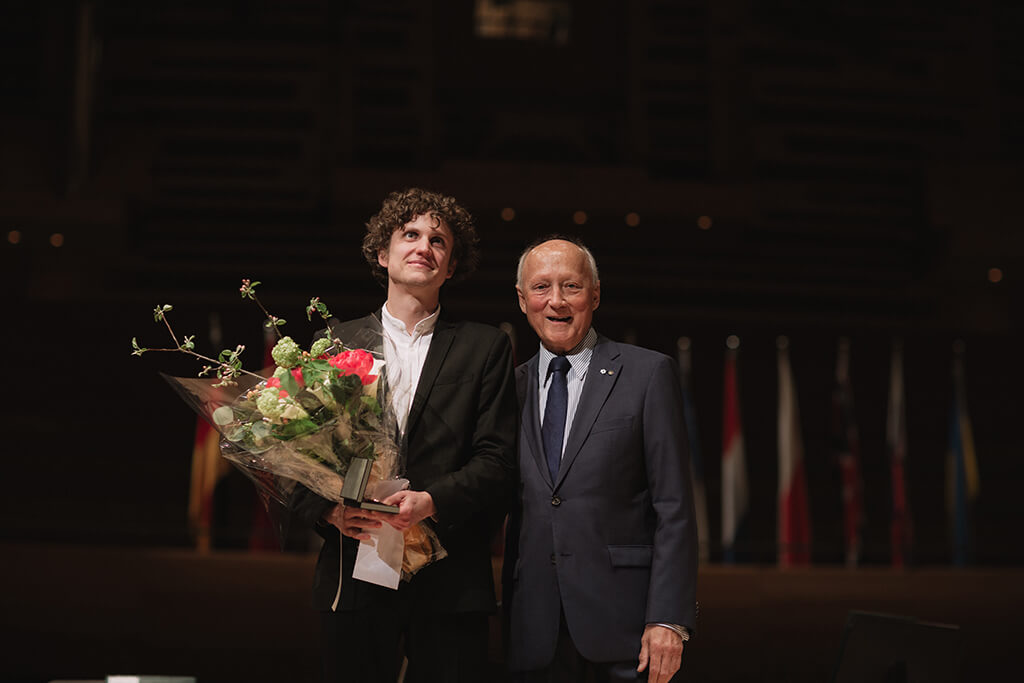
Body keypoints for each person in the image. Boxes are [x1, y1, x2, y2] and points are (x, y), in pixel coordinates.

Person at [290, 188, 519, 683]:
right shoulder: (335, 344)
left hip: (450, 578)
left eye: (438, 241)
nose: (424, 247)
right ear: (382, 253)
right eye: (410, 234)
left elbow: (497, 460)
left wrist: (431, 501)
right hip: (355, 564)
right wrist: (329, 511)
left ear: (451, 266)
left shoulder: (485, 347)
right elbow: (296, 455)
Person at [505, 236, 697, 683]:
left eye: (571, 286)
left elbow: (674, 508)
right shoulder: (508, 387)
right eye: (541, 287)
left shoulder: (648, 373)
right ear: (522, 300)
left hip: (627, 632)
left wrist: (669, 618)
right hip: (534, 628)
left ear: (594, 295)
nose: (556, 301)